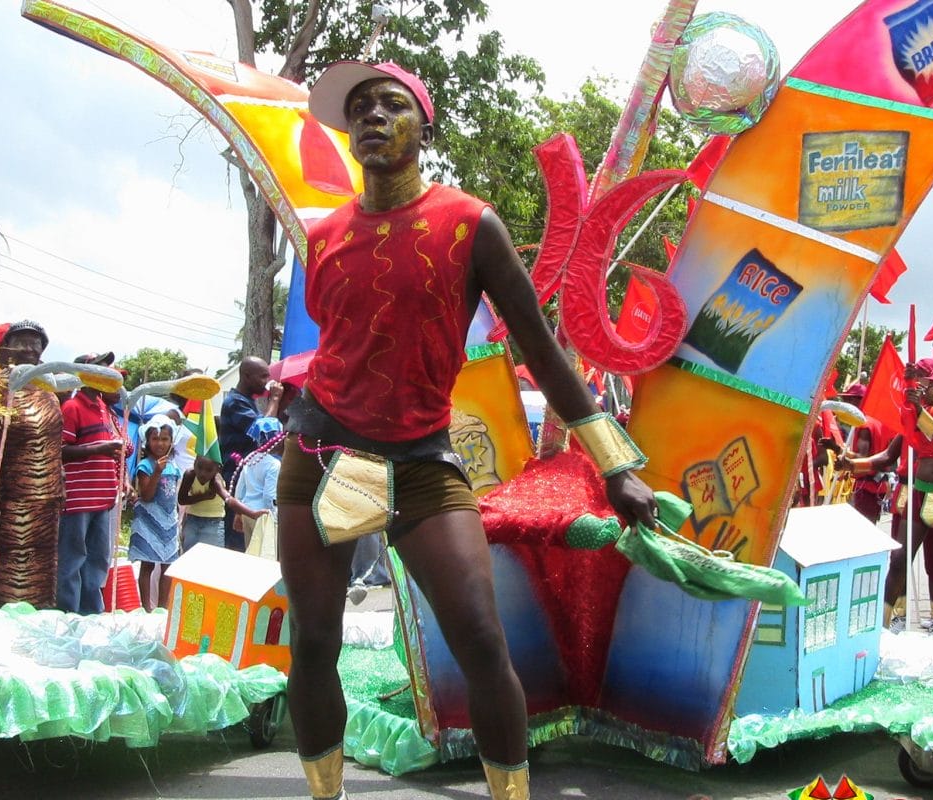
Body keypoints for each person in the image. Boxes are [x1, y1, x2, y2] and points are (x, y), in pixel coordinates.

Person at [278, 61, 657, 800]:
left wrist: (615, 466)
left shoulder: (469, 223)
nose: (373, 119)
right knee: (315, 641)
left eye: (391, 105)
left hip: (423, 463)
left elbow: (540, 351)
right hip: (320, 456)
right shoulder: (320, 238)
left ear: (426, 126)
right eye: (359, 110)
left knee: (484, 643)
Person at [851, 367, 933, 638]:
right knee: (899, 558)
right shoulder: (922, 413)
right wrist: (852, 463)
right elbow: (892, 450)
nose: (928, 389)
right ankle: (881, 625)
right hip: (919, 493)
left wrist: (920, 411)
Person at [0, 319, 65, 609]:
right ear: (7, 348)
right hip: (12, 500)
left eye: (35, 342)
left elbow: (53, 438)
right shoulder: (1, 386)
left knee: (41, 571)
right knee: (8, 570)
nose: (29, 347)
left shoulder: (47, 387)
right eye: (21, 341)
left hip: (45, 500)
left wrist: (58, 483)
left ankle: (32, 625)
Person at [57, 375, 127, 614]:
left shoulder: (104, 408)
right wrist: (102, 448)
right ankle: (69, 614)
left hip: (104, 496)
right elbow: (61, 450)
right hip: (79, 497)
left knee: (97, 561)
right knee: (73, 559)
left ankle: (92, 615)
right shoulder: (72, 407)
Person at [219, 356, 282, 550]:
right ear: (246, 376)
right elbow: (262, 431)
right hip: (237, 479)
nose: (267, 382)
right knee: (239, 543)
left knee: (254, 542)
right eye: (263, 377)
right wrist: (275, 400)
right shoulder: (234, 403)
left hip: (250, 480)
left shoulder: (246, 401)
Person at [130, 415, 183, 610]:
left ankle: (162, 607)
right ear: (148, 441)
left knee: (168, 565)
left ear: (171, 441)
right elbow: (146, 495)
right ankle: (146, 608)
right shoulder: (145, 466)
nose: (160, 443)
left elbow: (173, 496)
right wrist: (157, 472)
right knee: (148, 564)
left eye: (164, 439)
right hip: (148, 521)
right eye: (155, 439)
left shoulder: (174, 466)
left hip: (168, 521)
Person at [179, 453, 261, 552]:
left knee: (212, 559)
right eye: (199, 468)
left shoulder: (215, 481)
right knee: (189, 557)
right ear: (194, 463)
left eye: (208, 470)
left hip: (214, 523)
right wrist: (204, 496)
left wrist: (252, 514)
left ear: (217, 469)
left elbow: (229, 500)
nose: (202, 473)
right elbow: (182, 499)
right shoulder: (190, 475)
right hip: (192, 520)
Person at [839, 383, 892, 524]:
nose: (846, 405)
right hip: (878, 484)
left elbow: (863, 458)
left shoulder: (864, 424)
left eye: (849, 400)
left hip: (867, 486)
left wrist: (840, 452)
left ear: (860, 400)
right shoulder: (880, 422)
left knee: (862, 529)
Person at [235, 416, 284, 558]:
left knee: (250, 554)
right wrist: (275, 518)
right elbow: (270, 496)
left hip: (247, 513)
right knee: (265, 557)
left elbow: (240, 489)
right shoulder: (274, 465)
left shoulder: (250, 457)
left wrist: (239, 513)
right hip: (263, 516)